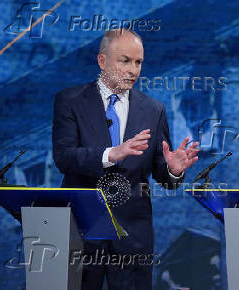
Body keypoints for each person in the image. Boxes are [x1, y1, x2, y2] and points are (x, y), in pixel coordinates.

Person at [52, 29, 199, 290]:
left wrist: (174, 171)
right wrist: (111, 154)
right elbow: (64, 157)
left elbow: (159, 171)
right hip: (82, 232)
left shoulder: (154, 110)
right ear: (102, 61)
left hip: (133, 237)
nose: (133, 70)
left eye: (138, 62)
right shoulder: (70, 101)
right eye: (125, 60)